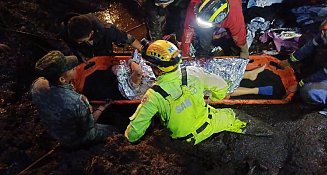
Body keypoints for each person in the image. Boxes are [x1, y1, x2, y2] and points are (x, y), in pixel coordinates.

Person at [124, 40, 270, 144]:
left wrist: (127, 139)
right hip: (209, 122)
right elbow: (222, 86)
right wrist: (213, 99)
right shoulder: (193, 72)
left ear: (156, 69)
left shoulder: (153, 96)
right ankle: (271, 134)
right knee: (237, 117)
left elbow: (133, 134)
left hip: (185, 142)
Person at [31, 50, 117, 148]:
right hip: (75, 138)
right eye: (71, 69)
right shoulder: (77, 101)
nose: (74, 68)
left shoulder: (36, 86)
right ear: (62, 79)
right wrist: (102, 107)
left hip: (55, 131)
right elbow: (88, 127)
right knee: (115, 130)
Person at [279, 19, 327, 109]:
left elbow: (323, 75)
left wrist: (299, 84)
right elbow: (309, 46)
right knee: (305, 39)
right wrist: (290, 61)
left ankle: (319, 103)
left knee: (308, 91)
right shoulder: (324, 32)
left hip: (324, 76)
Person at [59, 13, 143, 61]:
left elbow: (129, 39)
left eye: (81, 41)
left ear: (91, 33)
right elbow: (71, 49)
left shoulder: (108, 30)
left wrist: (143, 50)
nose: (78, 42)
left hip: (104, 52)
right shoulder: (66, 31)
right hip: (86, 57)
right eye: (77, 41)